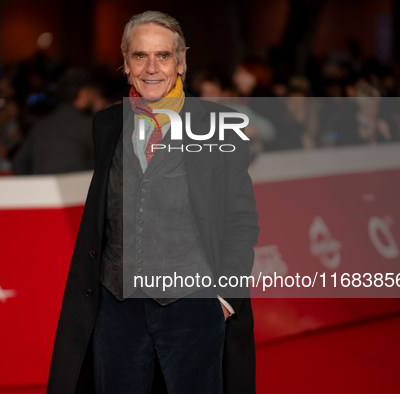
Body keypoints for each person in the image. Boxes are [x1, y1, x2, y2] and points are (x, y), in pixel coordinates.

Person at [47, 11, 259, 394]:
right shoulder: (107, 124)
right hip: (116, 307)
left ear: (181, 62)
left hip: (193, 305)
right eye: (140, 56)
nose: (151, 68)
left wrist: (226, 297)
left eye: (163, 55)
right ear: (125, 63)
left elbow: (241, 218)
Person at [12, 68, 100, 175]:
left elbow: (19, 163)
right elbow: (105, 166)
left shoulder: (41, 125)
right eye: (93, 92)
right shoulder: (89, 126)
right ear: (83, 93)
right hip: (77, 189)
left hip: (43, 189)